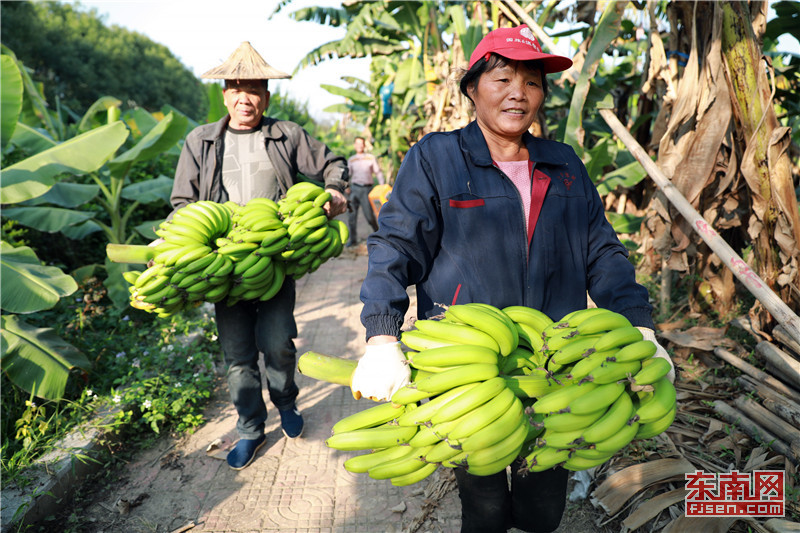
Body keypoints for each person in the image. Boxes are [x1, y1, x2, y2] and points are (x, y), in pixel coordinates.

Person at [349, 25, 674, 533]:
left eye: (532, 82)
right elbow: (395, 245)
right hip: (469, 367)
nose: (518, 93)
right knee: (481, 500)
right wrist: (382, 333)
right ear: (472, 88)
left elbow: (602, 252)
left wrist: (640, 327)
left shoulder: (564, 164)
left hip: (557, 362)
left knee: (544, 498)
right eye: (502, 78)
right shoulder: (435, 159)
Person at [168, 42, 349, 471]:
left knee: (277, 345)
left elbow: (332, 163)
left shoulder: (286, 135)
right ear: (225, 94)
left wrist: (336, 190)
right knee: (237, 358)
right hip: (224, 268)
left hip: (273, 261)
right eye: (235, 88)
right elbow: (181, 203)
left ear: (266, 96)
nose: (244, 97)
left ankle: (286, 402)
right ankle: (250, 428)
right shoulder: (201, 142)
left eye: (254, 89)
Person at [345, 136, 385, 247]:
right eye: (357, 143)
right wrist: (346, 186)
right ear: (354, 145)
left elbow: (378, 172)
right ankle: (353, 240)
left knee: (369, 216)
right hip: (354, 189)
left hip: (367, 190)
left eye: (361, 143)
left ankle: (379, 236)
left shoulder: (370, 158)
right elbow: (347, 175)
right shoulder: (351, 160)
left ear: (364, 145)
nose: (359, 146)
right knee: (351, 215)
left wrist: (382, 185)